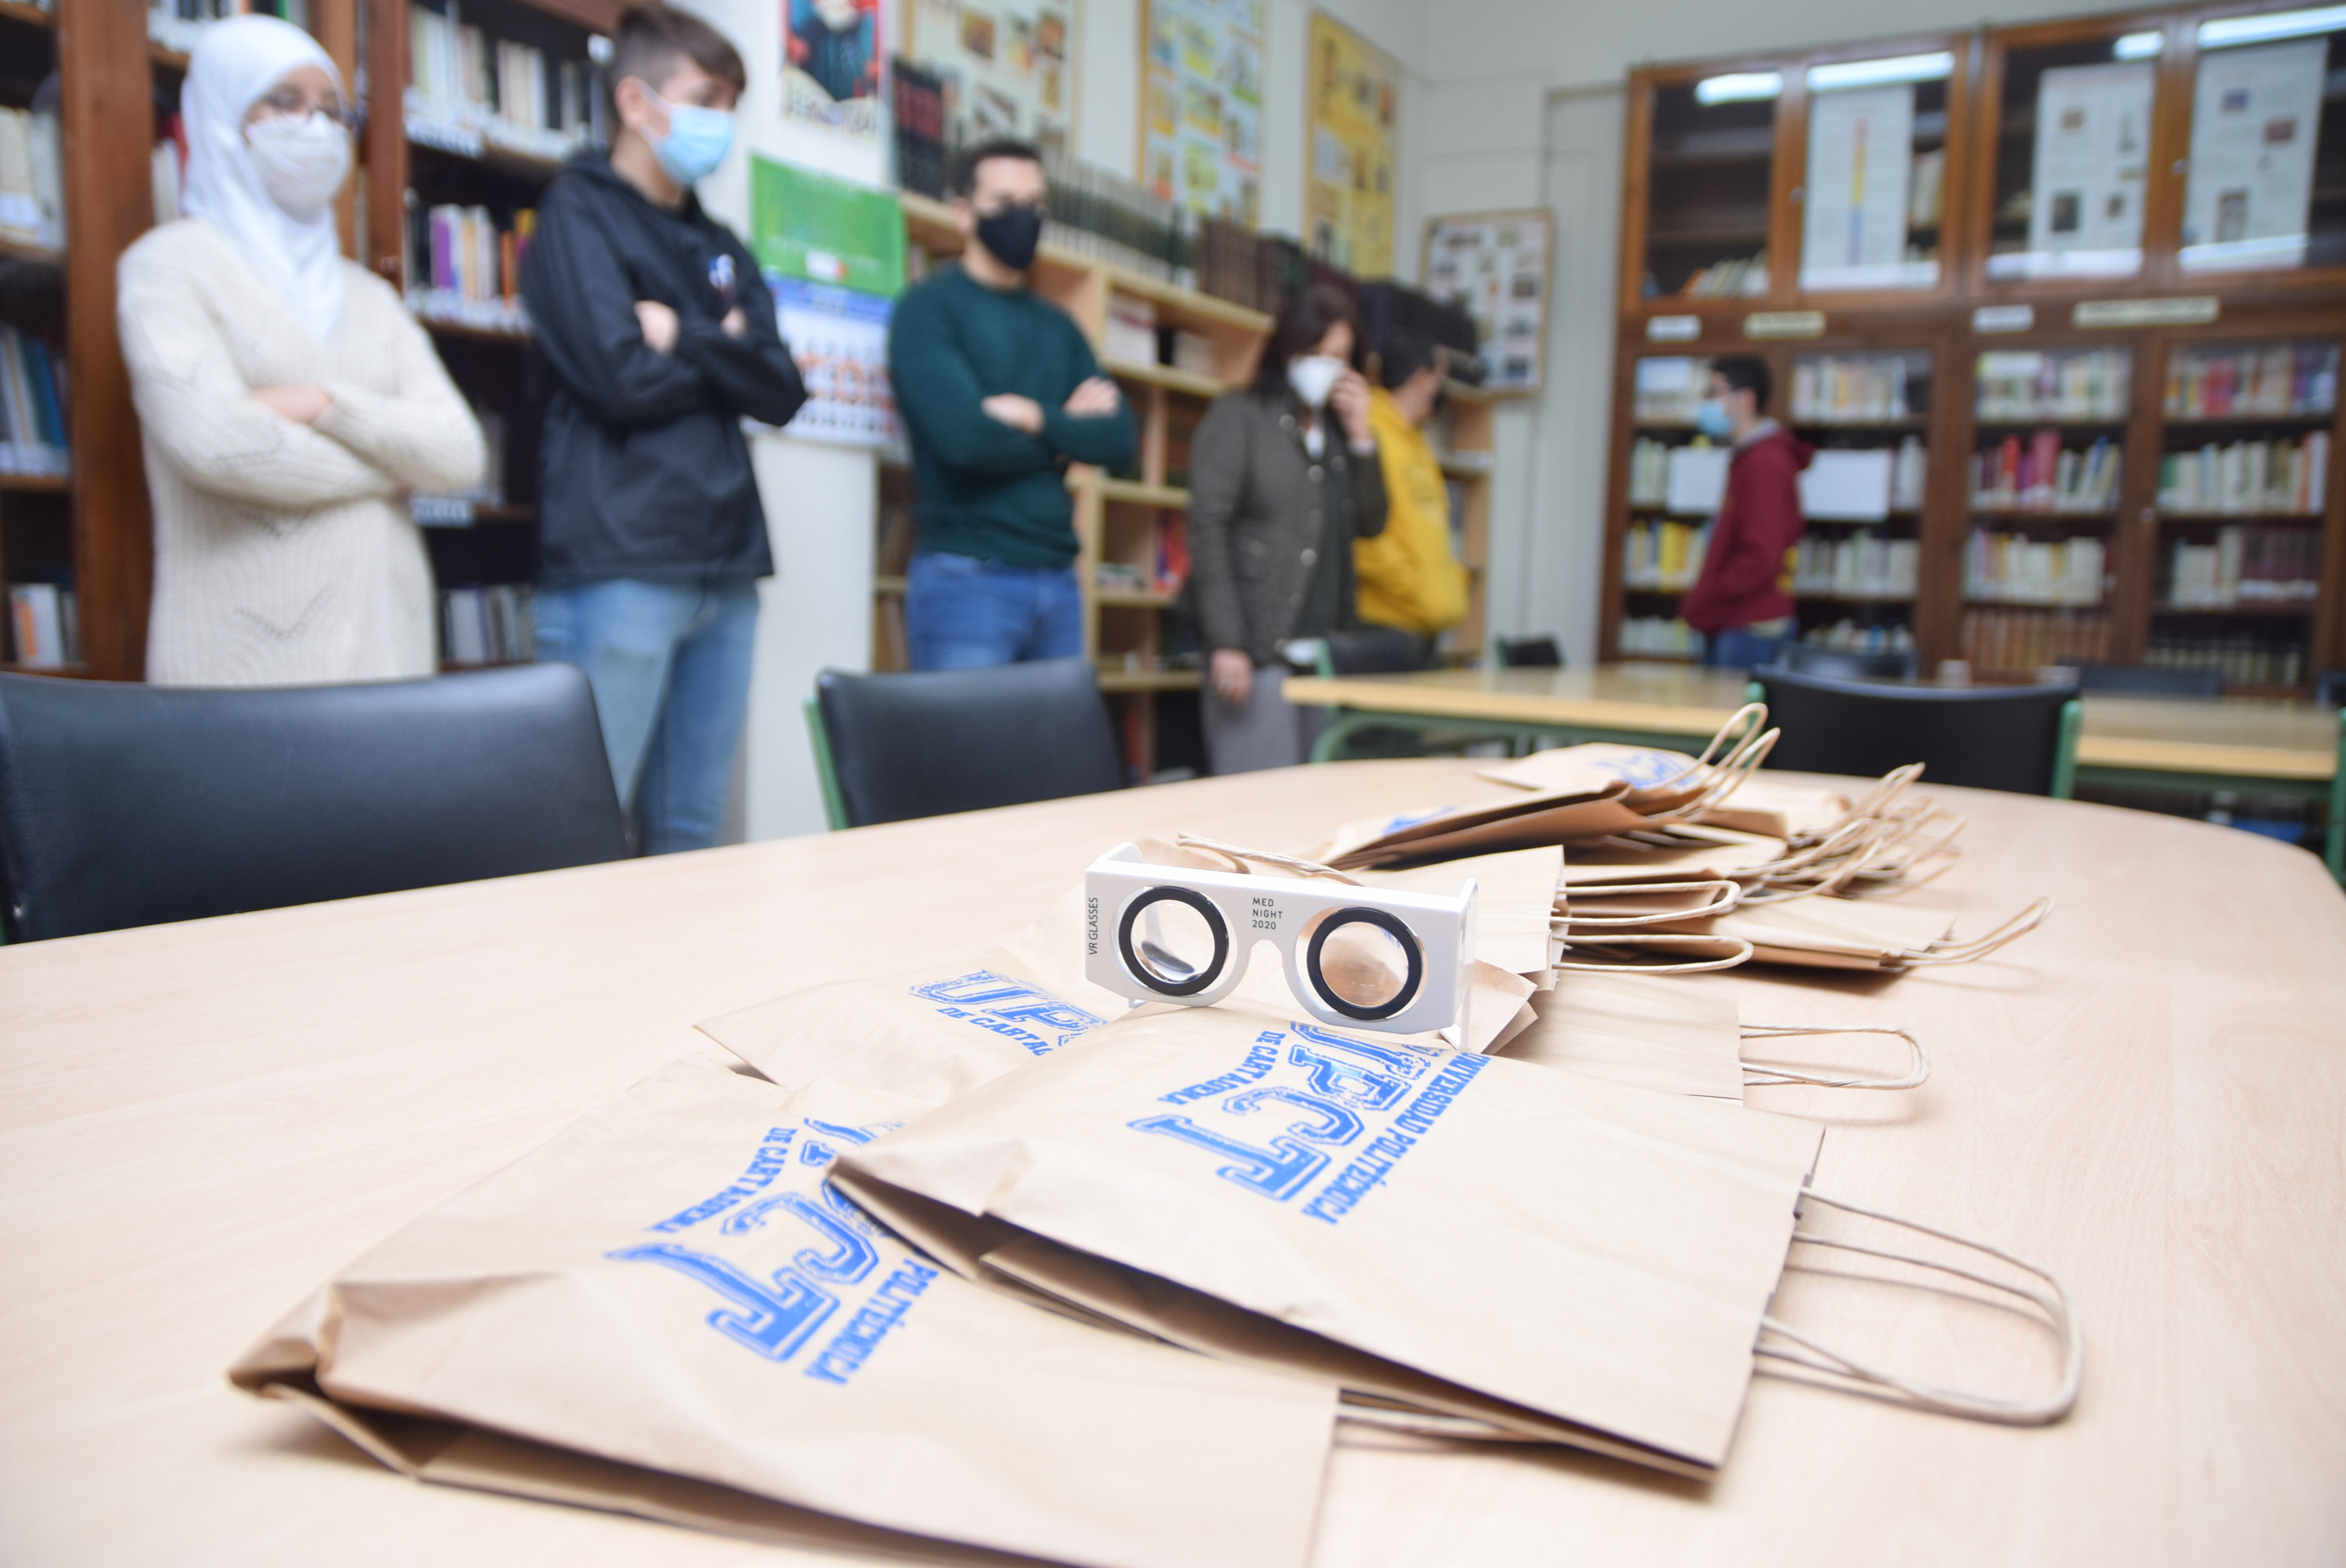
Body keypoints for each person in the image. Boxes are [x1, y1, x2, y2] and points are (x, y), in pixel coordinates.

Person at [118, 15, 485, 687]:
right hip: (243, 671)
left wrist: (322, 404)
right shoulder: (168, 267)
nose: (314, 128)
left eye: (330, 109)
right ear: (224, 115)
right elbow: (215, 441)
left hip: (391, 662)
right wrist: (387, 471)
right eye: (284, 101)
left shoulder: (370, 295)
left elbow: (459, 452)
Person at [521, 5, 807, 855]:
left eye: (731, 100)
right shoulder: (577, 212)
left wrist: (679, 331)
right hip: (621, 557)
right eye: (706, 95)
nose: (720, 117)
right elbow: (617, 376)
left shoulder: (720, 243)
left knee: (694, 826)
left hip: (726, 562)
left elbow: (783, 388)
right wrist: (723, 348)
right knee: (583, 827)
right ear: (637, 102)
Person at [887, 140, 1135, 669]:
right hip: (967, 579)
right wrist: (1065, 436)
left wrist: (1035, 415)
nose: (1024, 217)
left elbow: (1119, 440)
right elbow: (965, 441)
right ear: (963, 213)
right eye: (1004, 202)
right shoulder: (927, 311)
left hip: (1060, 579)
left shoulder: (1059, 326)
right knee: (965, 751)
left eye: (1036, 204)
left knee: (1051, 754)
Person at [1186, 285, 1388, 773]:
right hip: (1256, 651)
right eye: (1314, 351)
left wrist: (1363, 439)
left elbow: (1370, 522)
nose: (1326, 365)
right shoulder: (1240, 415)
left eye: (1339, 356)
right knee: (1256, 806)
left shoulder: (1339, 434)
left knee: (1316, 803)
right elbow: (1208, 526)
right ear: (1286, 350)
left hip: (1323, 657)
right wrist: (1227, 641)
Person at [1680, 355, 1810, 670]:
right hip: (1736, 620)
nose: (1706, 403)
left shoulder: (1765, 462)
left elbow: (1760, 556)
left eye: (1714, 392)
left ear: (1745, 398)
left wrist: (1706, 599)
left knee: (1735, 719)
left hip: (1749, 626)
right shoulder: (1749, 457)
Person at [1356, 328, 1469, 662]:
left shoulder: (1418, 441)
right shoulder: (1368, 432)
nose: (1441, 390)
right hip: (1383, 630)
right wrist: (1416, 586)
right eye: (1440, 379)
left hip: (1422, 630)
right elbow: (1362, 535)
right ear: (1422, 379)